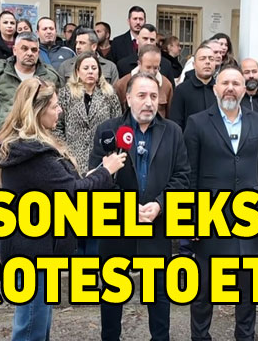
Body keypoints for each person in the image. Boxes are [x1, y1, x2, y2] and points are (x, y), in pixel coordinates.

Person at [0, 77, 126, 341]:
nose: (60, 110)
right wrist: (106, 171)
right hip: (33, 252)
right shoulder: (34, 154)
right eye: (54, 106)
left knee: (36, 325)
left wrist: (96, 173)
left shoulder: (25, 148)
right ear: (38, 111)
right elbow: (74, 192)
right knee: (31, 329)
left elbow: (61, 186)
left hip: (34, 248)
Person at [89, 72, 190, 341]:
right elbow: (98, 178)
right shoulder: (108, 131)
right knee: (112, 294)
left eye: (154, 96)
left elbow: (182, 176)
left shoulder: (173, 132)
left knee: (159, 295)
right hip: (117, 228)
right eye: (142, 95)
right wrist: (127, 207)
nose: (148, 102)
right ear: (128, 98)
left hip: (156, 227)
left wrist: (159, 205)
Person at [184, 67, 258, 341]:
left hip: (250, 218)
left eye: (236, 83)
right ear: (215, 88)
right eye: (225, 82)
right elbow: (189, 174)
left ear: (244, 89)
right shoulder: (197, 123)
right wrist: (191, 219)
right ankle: (200, 337)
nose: (230, 88)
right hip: (211, 218)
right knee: (204, 289)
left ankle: (245, 336)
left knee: (248, 288)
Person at [57, 52, 121, 176]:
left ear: (99, 72)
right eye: (86, 68)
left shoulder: (109, 95)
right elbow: (57, 126)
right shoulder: (65, 94)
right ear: (77, 72)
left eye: (94, 68)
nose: (90, 72)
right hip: (72, 159)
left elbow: (117, 124)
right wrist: (65, 151)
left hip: (102, 158)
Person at [0, 32, 63, 131]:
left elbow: (56, 110)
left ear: (38, 53)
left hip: (40, 135)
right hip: (7, 135)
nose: (29, 53)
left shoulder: (50, 77)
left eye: (34, 50)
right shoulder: (0, 75)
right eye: (24, 49)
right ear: (14, 50)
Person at [114, 44, 173, 118]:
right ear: (139, 64)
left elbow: (170, 116)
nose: (151, 72)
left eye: (155, 68)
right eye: (148, 67)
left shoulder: (166, 85)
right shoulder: (122, 85)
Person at [169, 44, 217, 130]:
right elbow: (176, 123)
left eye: (211, 59)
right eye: (202, 59)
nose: (207, 62)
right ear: (194, 64)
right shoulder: (182, 90)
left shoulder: (220, 90)